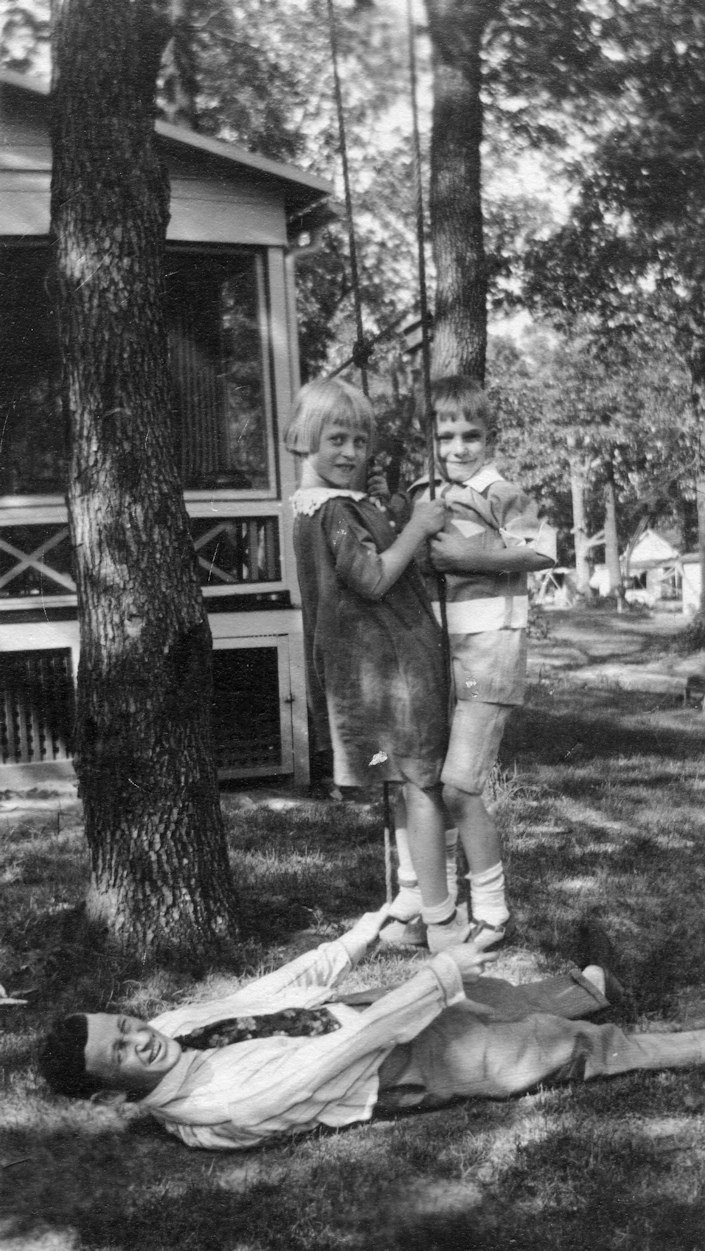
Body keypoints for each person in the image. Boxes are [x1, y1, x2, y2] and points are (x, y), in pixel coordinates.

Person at [39, 908, 705, 1152]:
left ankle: (583, 989)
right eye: (123, 1052)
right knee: (542, 1050)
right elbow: (353, 1047)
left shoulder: (169, 1027)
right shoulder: (216, 1106)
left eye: (127, 1024)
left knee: (488, 990)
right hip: (377, 1070)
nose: (143, 1037)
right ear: (111, 1095)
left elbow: (269, 991)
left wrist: (361, 936)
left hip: (352, 1017)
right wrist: (435, 975)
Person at [385, 376, 556, 953]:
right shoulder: (422, 490)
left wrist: (467, 555)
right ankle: (426, 899)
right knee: (422, 779)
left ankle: (491, 909)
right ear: (428, 438)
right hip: (434, 650)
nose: (459, 448)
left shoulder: (499, 490)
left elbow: (542, 550)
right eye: (446, 436)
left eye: (472, 436)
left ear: (489, 438)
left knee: (460, 784)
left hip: (490, 647)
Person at [283, 378, 455, 946]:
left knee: (400, 782)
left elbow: (375, 549)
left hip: (366, 672)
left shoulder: (327, 505)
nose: (351, 453)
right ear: (304, 436)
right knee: (421, 784)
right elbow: (376, 576)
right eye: (337, 439)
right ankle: (442, 920)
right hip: (390, 669)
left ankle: (409, 901)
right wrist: (418, 525)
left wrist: (388, 507)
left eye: (360, 441)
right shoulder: (333, 509)